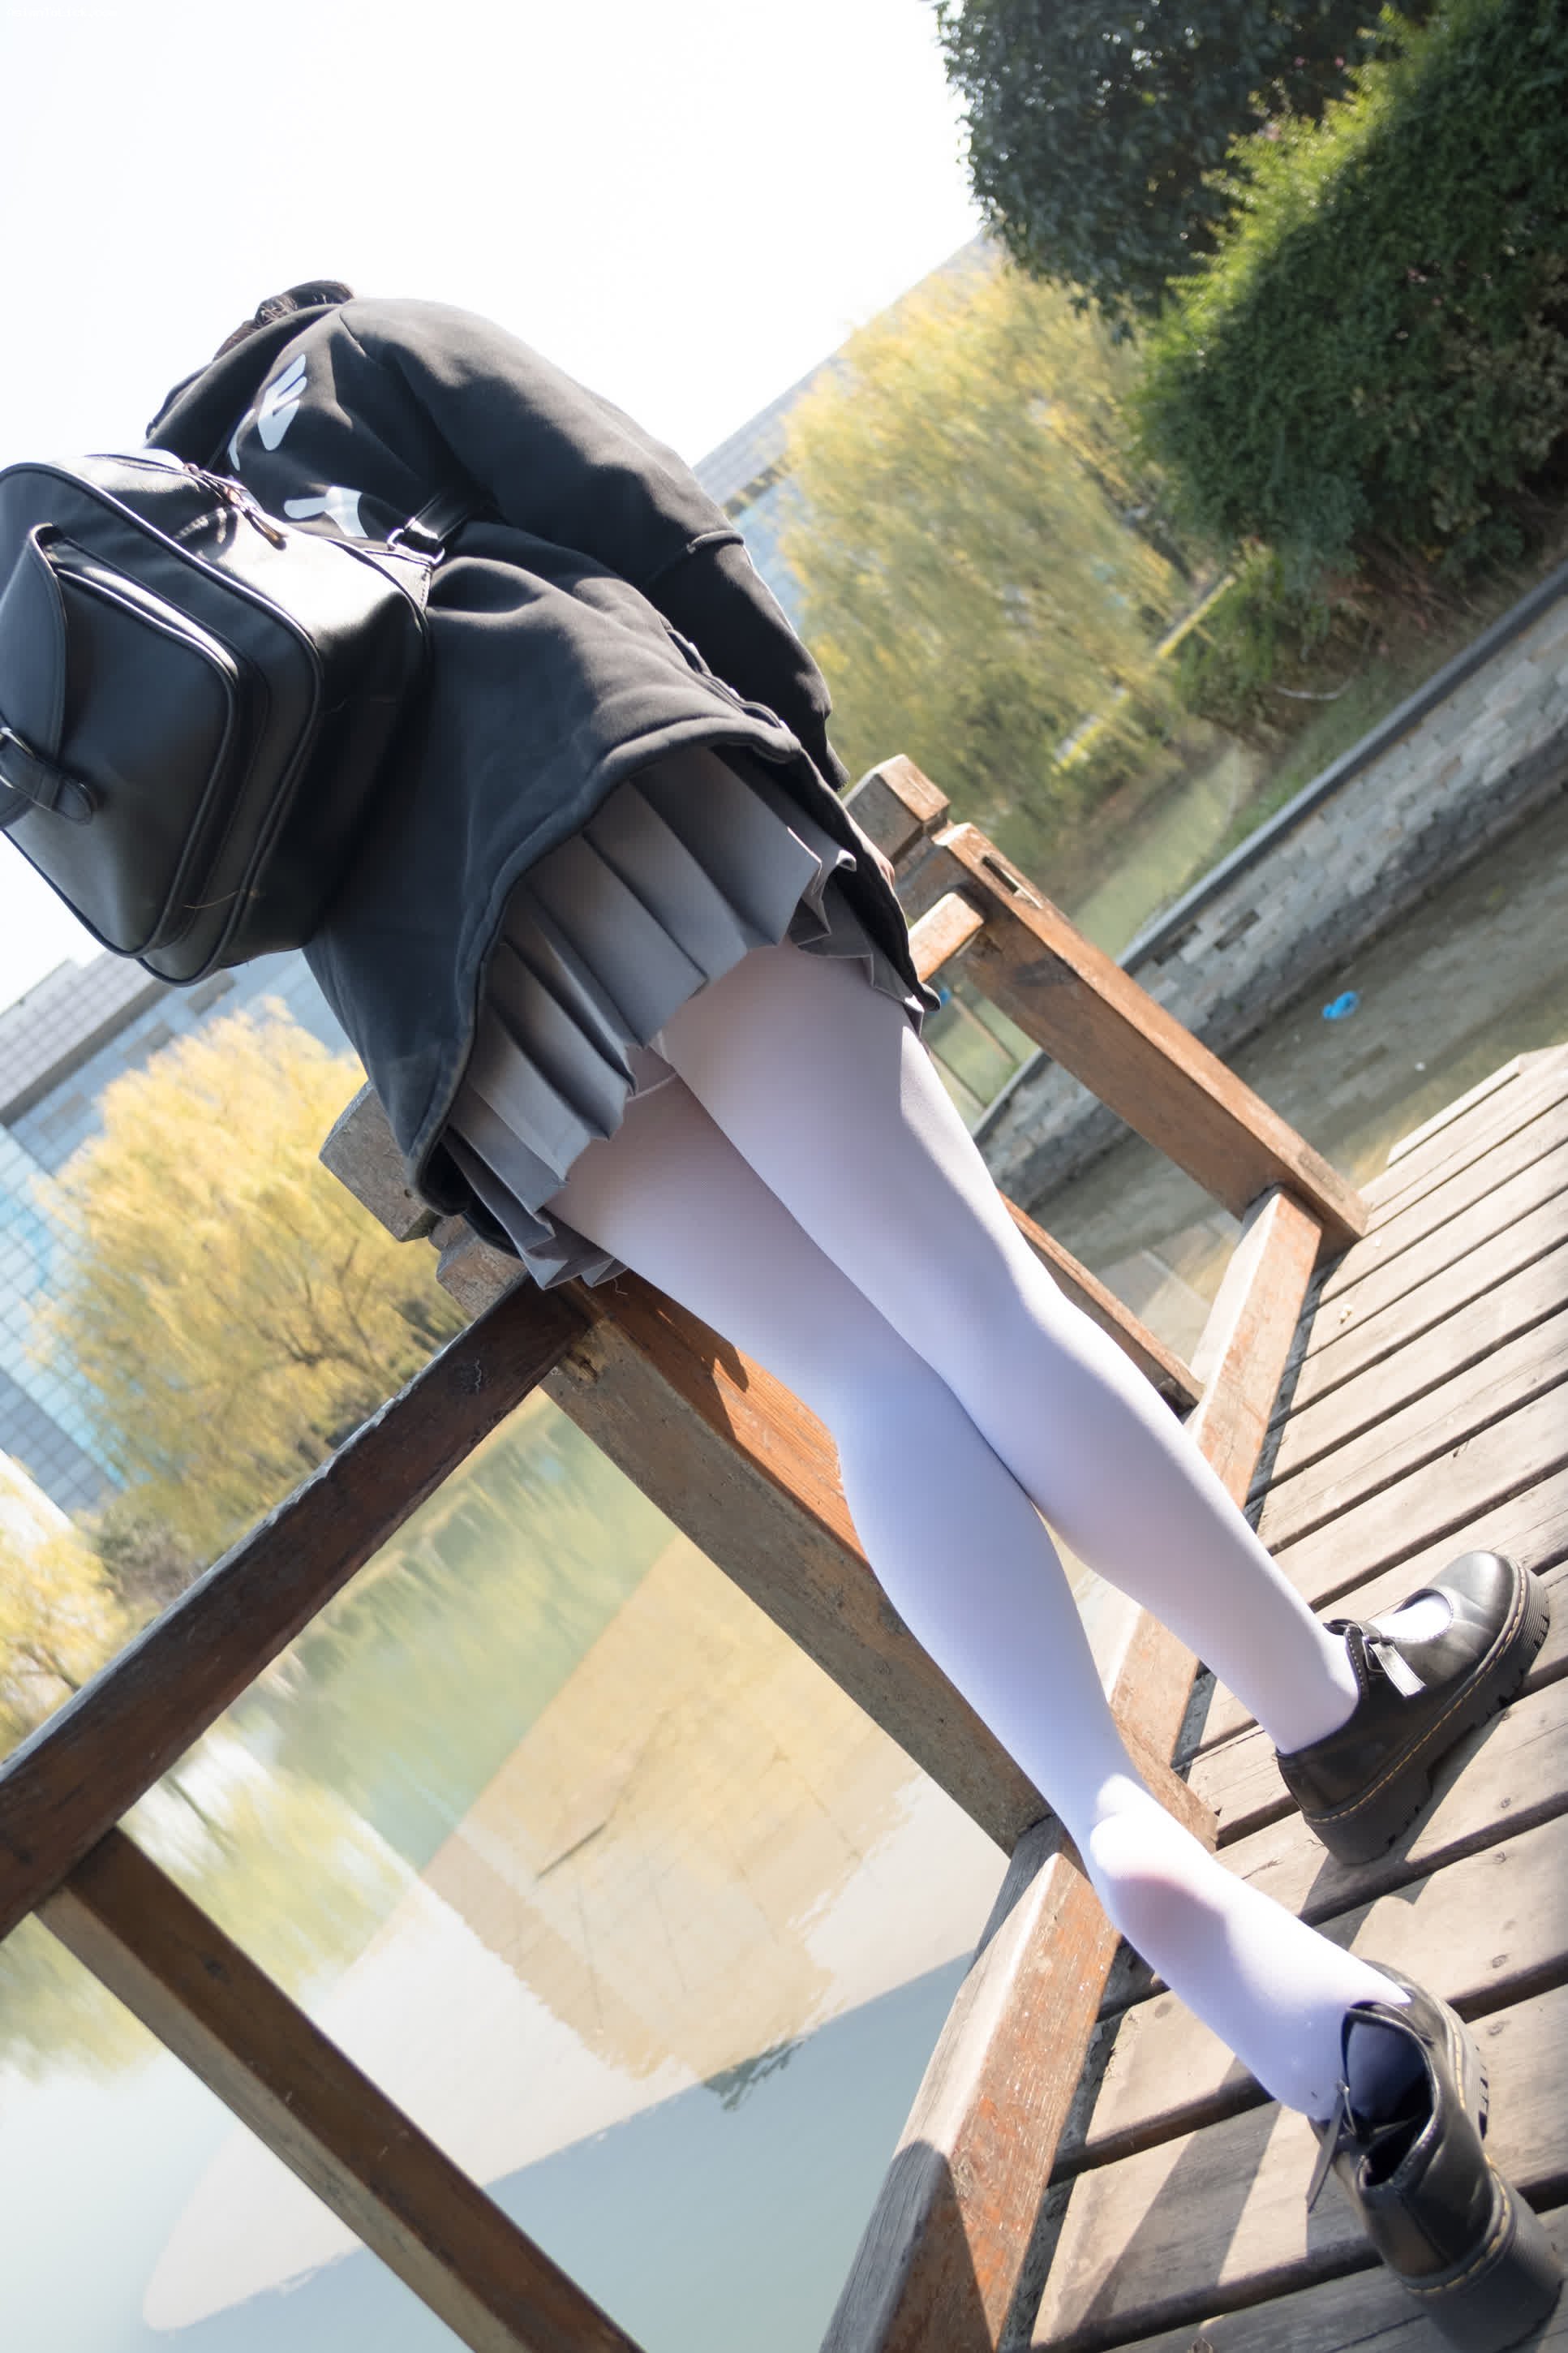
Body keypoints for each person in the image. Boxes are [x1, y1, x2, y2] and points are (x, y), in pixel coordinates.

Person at [150, 285, 1558, 2347]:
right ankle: (1332, 1709)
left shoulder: (170, 561)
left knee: (862, 1372)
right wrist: (783, 761)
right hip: (616, 796)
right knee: (971, 1306)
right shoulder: (340, 360)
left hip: (461, 1037)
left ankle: (1235, 1948)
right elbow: (650, 519)